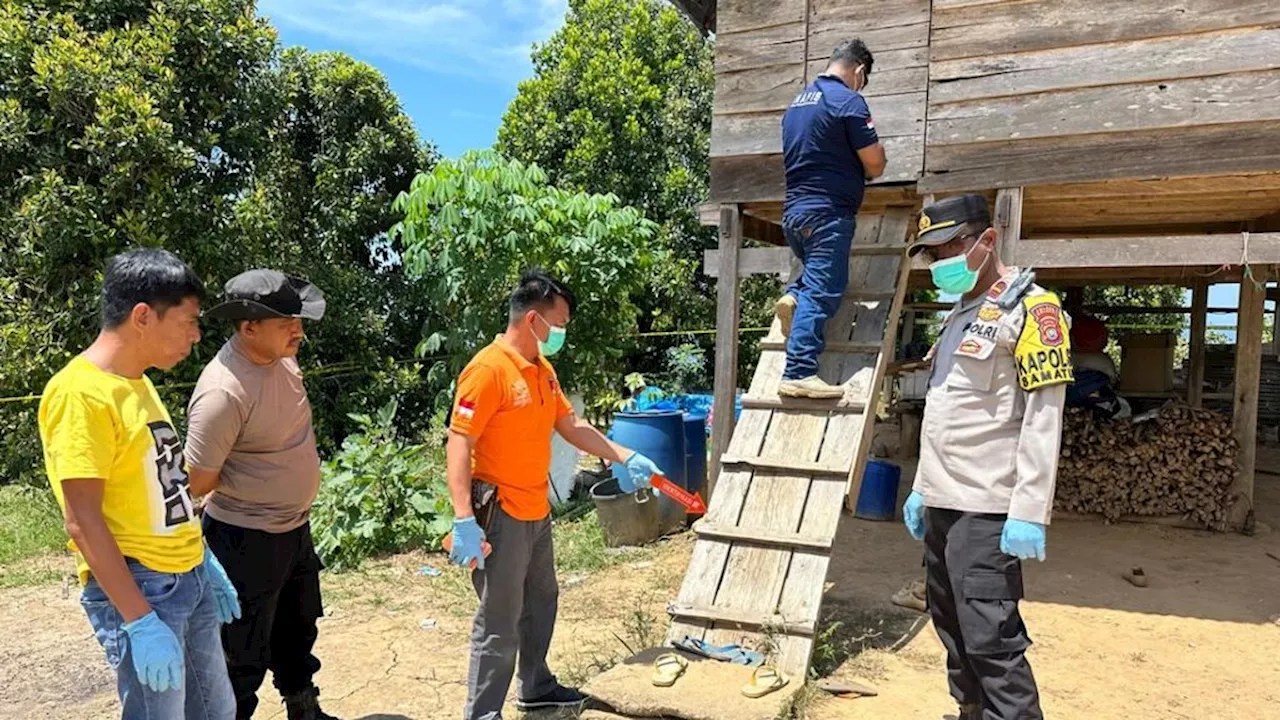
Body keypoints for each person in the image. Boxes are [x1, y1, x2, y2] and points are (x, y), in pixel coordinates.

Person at [447, 269, 663, 720]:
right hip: (498, 514)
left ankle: (536, 686)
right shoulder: (487, 370)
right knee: (499, 621)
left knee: (542, 602)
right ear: (532, 320)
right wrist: (463, 518)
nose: (561, 333)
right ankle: (483, 713)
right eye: (558, 324)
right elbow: (459, 441)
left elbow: (572, 425)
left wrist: (624, 455)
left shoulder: (542, 370)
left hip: (536, 510)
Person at [37, 248, 240, 719]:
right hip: (143, 588)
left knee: (215, 712)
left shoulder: (138, 382)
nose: (196, 336)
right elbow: (82, 517)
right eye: (188, 321)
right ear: (143, 316)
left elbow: (164, 485)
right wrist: (139, 620)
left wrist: (201, 557)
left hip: (186, 577)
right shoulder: (79, 394)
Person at [901, 195, 1073, 720]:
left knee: (992, 643)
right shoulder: (960, 316)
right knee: (952, 631)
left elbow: (1044, 416)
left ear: (988, 240)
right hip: (943, 502)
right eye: (931, 253)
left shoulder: (1033, 309)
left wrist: (1028, 509)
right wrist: (920, 487)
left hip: (987, 507)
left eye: (950, 246)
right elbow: (948, 410)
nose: (939, 261)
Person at [183, 270, 338, 720]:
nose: (299, 330)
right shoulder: (221, 391)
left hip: (293, 528)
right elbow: (197, 480)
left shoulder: (284, 360)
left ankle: (304, 708)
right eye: (286, 321)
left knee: (297, 628)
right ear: (248, 327)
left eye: (298, 319)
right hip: (244, 539)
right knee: (241, 651)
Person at [775, 37, 888, 399]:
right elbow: (874, 163)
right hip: (827, 216)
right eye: (864, 79)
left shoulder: (796, 105)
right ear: (858, 71)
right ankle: (799, 372)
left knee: (811, 282)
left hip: (794, 214)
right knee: (824, 292)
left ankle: (793, 297)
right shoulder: (848, 101)